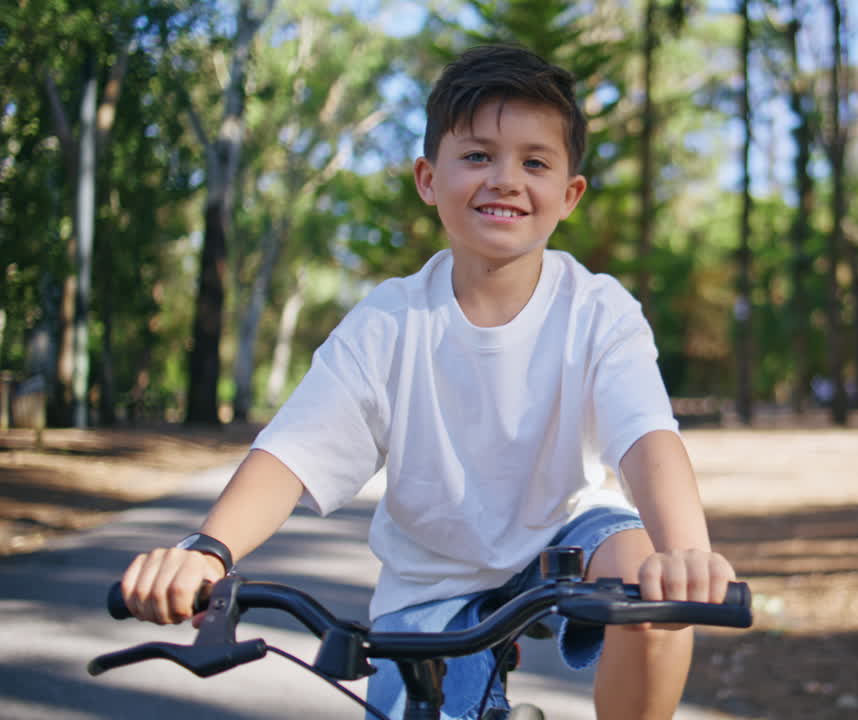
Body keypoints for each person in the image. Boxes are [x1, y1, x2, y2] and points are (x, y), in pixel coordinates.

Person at [118, 44, 737, 720]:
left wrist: (686, 555)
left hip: (569, 539)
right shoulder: (389, 321)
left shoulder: (597, 309)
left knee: (650, 593)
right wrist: (208, 550)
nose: (505, 179)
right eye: (477, 156)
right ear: (426, 178)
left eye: (535, 162)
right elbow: (293, 450)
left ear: (569, 195)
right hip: (431, 580)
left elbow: (646, 437)